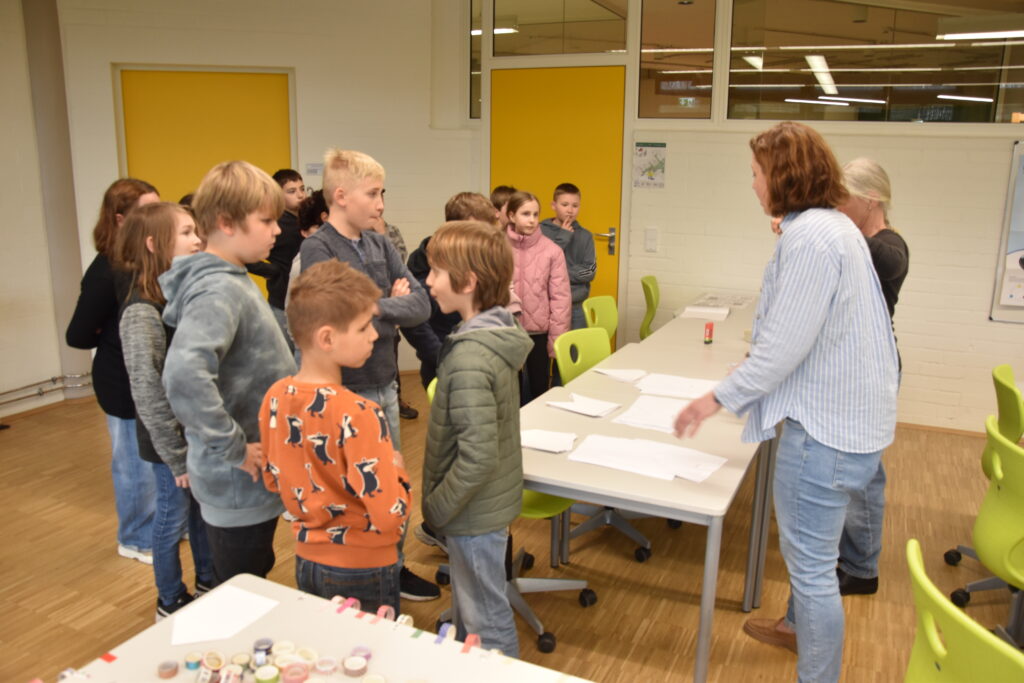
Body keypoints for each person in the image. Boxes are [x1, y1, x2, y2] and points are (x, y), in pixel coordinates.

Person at [672, 122, 899, 683]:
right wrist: (757, 372)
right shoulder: (831, 228)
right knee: (815, 567)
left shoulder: (811, 237)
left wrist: (714, 399)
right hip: (848, 425)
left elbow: (783, 348)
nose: (752, 184)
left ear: (783, 177)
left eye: (756, 173)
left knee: (814, 574)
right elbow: (808, 338)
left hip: (825, 435)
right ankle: (798, 628)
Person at [299, 148, 438, 601]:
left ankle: (391, 570)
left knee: (390, 485)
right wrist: (387, 300)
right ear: (341, 196)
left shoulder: (379, 244)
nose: (381, 204)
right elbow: (336, 315)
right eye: (373, 194)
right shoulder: (318, 247)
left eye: (382, 194)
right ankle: (356, 575)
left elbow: (420, 305)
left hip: (385, 383)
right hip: (345, 390)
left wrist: (373, 304)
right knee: (352, 493)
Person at [161, 161, 296, 584]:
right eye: (267, 221)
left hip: (250, 478)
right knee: (241, 585)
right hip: (236, 479)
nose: (277, 230)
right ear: (226, 223)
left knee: (252, 572)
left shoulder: (232, 278)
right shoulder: (217, 288)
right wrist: (234, 447)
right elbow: (184, 376)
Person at [260, 260, 411, 613]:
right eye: (363, 327)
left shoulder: (275, 397)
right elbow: (390, 516)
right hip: (364, 566)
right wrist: (398, 469)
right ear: (327, 338)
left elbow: (272, 479)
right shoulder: (360, 413)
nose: (375, 335)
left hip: (307, 561)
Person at [422, 220, 532, 656]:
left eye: (436, 271)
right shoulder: (492, 335)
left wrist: (438, 508)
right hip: (481, 508)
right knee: (472, 610)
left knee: (485, 618)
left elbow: (477, 457)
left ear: (467, 282)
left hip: (471, 513)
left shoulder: (470, 357)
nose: (428, 281)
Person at [116, 201, 215, 619]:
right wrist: (175, 455)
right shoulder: (142, 311)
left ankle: (208, 582)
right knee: (172, 517)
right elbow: (148, 392)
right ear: (154, 244)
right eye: (187, 232)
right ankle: (169, 598)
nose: (197, 240)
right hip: (169, 443)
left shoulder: (177, 295)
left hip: (192, 434)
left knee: (200, 513)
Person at [66, 177, 160, 564]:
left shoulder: (145, 261)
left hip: (147, 377)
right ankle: (135, 538)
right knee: (133, 465)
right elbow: (78, 334)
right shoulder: (105, 270)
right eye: (147, 210)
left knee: (154, 460)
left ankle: (160, 526)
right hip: (120, 381)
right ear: (120, 219)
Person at [835, 158, 909, 597]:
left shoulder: (890, 247)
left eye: (842, 198)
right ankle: (851, 554)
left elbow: (878, 258)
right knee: (852, 469)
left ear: (872, 198)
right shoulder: (857, 240)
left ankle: (862, 569)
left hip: (872, 371)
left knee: (863, 473)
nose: (837, 207)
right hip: (855, 368)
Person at [404, 191, 506, 389]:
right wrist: (443, 356)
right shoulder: (432, 269)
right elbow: (413, 321)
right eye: (479, 230)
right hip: (447, 367)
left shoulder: (471, 257)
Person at [505, 191, 570, 404]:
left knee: (539, 389)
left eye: (535, 214)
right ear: (512, 215)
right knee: (509, 392)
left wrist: (557, 340)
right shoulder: (497, 247)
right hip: (506, 331)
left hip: (538, 332)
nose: (532, 220)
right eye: (525, 214)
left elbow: (560, 298)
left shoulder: (552, 251)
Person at [246, 169, 308, 351]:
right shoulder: (275, 223)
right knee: (285, 355)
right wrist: (272, 271)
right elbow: (247, 256)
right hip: (282, 301)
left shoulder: (306, 219)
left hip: (305, 300)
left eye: (302, 189)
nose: (300, 195)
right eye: (292, 191)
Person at [368, 198, 417, 421]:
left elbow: (398, 262)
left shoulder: (391, 231)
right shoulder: (354, 233)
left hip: (389, 305)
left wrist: (382, 235)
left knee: (391, 354)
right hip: (365, 309)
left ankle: (396, 398)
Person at [540, 183, 596, 330]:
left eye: (575, 205)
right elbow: (542, 267)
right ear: (553, 205)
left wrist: (559, 273)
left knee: (576, 344)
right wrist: (563, 237)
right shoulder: (539, 231)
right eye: (564, 205)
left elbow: (590, 271)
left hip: (575, 306)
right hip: (546, 304)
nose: (570, 210)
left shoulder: (586, 236)